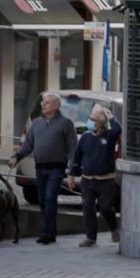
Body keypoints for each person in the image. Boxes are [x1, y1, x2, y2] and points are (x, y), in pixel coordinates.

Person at [9, 93, 77, 245]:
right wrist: (17, 157)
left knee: (50, 197)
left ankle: (45, 233)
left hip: (56, 168)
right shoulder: (37, 123)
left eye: (46, 103)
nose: (43, 105)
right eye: (43, 103)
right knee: (43, 201)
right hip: (40, 168)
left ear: (56, 106)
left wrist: (72, 170)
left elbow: (73, 148)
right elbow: (28, 145)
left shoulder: (66, 124)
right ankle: (51, 232)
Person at [67, 106, 121, 248]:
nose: (90, 121)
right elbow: (77, 157)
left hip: (106, 181)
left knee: (105, 207)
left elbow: (117, 130)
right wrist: (72, 174)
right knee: (88, 207)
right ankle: (90, 237)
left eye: (93, 119)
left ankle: (114, 228)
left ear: (101, 123)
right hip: (87, 180)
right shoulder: (85, 137)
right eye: (90, 118)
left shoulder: (109, 135)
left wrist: (111, 118)